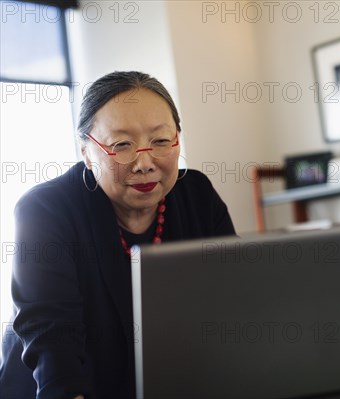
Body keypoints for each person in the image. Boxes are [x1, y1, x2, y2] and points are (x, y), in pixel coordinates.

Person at [0, 71, 236, 398]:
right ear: (85, 151)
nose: (144, 162)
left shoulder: (196, 195)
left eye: (161, 140)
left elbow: (233, 302)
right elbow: (53, 339)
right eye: (121, 145)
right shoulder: (44, 211)